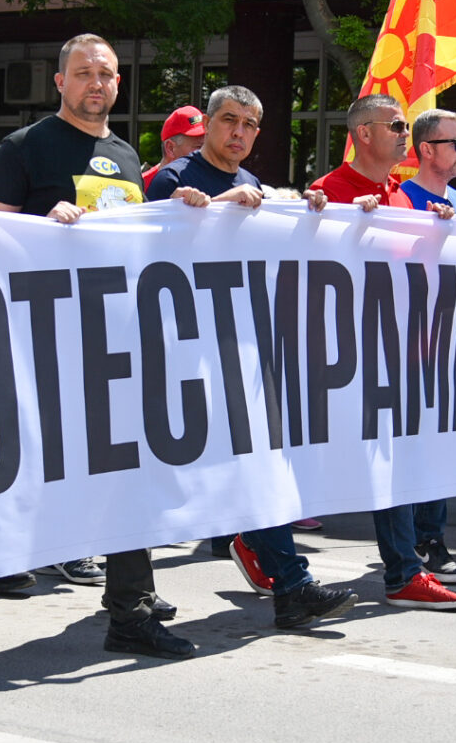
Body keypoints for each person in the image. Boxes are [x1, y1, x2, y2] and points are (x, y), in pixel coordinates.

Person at [0, 33, 200, 657]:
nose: (95, 83)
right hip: (42, 341)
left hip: (115, 341)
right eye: (83, 73)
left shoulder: (125, 154)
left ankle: (131, 605)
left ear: (118, 83)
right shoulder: (25, 148)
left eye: (105, 74)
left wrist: (189, 212)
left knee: (131, 470)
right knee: (25, 477)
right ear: (60, 82)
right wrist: (40, 226)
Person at [146, 85, 359, 628]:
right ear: (210, 122)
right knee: (156, 476)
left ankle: (291, 585)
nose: (238, 132)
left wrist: (307, 214)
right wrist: (216, 206)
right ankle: (130, 593)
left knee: (259, 464)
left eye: (249, 124)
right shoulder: (174, 177)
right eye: (229, 120)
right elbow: (153, 253)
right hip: (183, 349)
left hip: (239, 349)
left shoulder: (254, 184)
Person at [310, 95, 456, 609]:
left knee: (391, 460)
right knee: (313, 458)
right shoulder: (327, 191)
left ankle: (403, 572)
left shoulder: (401, 197)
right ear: (363, 134)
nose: (406, 135)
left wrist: (438, 233)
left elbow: (414, 270)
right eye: (397, 126)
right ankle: (259, 536)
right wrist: (335, 222)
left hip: (393, 353)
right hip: (338, 355)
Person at [141, 105, 207, 193]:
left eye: (208, 146)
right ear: (170, 148)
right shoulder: (140, 187)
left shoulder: (213, 180)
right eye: (199, 147)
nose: (207, 152)